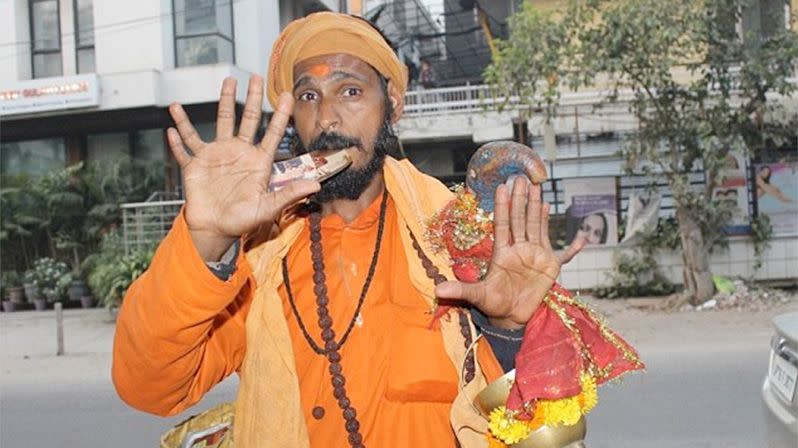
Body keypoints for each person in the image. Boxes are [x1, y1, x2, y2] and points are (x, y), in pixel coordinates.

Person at [112, 12, 581, 447]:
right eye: (308, 96)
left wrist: (509, 333)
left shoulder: (456, 235)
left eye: (350, 91)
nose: (327, 117)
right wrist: (208, 242)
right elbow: (148, 388)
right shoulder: (258, 256)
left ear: (392, 105)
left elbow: (550, 430)